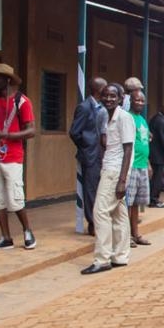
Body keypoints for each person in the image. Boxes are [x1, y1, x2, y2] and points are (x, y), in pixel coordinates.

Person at [0, 62, 37, 251]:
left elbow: (31, 131)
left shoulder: (22, 102)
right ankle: (5, 237)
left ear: (7, 80)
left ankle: (27, 231)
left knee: (15, 197)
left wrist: (8, 136)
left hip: (12, 156)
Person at [81, 82, 134, 274]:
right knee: (119, 214)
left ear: (120, 99)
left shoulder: (124, 118)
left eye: (113, 96)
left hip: (115, 171)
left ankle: (102, 259)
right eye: (105, 95)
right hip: (110, 168)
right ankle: (120, 256)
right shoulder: (107, 117)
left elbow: (128, 149)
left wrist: (122, 180)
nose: (109, 99)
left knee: (100, 212)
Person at [69, 76, 107, 236]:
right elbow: (74, 132)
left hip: (100, 155)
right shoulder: (85, 107)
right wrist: (87, 145)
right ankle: (92, 222)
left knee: (100, 189)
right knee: (90, 190)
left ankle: (100, 220)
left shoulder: (102, 107)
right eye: (105, 89)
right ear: (98, 90)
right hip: (90, 154)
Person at [126, 89, 152, 247]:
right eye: (137, 100)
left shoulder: (142, 120)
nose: (140, 103)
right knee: (127, 203)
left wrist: (148, 163)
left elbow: (144, 142)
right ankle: (125, 236)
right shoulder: (127, 118)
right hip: (131, 166)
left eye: (142, 100)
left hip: (142, 165)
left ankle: (135, 233)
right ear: (131, 101)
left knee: (136, 203)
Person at [148, 102, 164, 208]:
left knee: (156, 178)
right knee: (158, 178)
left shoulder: (156, 119)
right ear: (161, 108)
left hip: (154, 153)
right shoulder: (160, 121)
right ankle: (154, 200)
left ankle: (153, 198)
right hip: (157, 154)